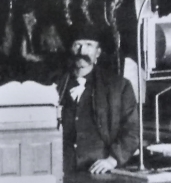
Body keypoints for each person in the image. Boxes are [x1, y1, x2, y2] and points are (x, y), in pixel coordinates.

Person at [57, 31, 139, 174]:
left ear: (98, 52)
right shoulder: (56, 85)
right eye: (78, 45)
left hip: (99, 173)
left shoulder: (118, 87)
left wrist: (113, 160)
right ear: (71, 48)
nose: (82, 51)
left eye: (89, 45)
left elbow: (132, 130)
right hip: (62, 170)